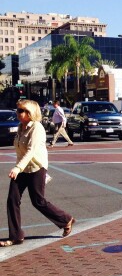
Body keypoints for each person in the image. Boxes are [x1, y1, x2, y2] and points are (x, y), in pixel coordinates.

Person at [0, 100, 75, 247]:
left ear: (30, 113)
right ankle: (16, 236)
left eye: (21, 111)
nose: (18, 113)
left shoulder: (37, 128)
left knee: (38, 201)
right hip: (23, 168)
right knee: (12, 200)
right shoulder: (21, 127)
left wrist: (17, 168)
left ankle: (66, 219)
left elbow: (30, 152)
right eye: (18, 110)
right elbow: (20, 151)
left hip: (36, 168)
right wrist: (19, 167)